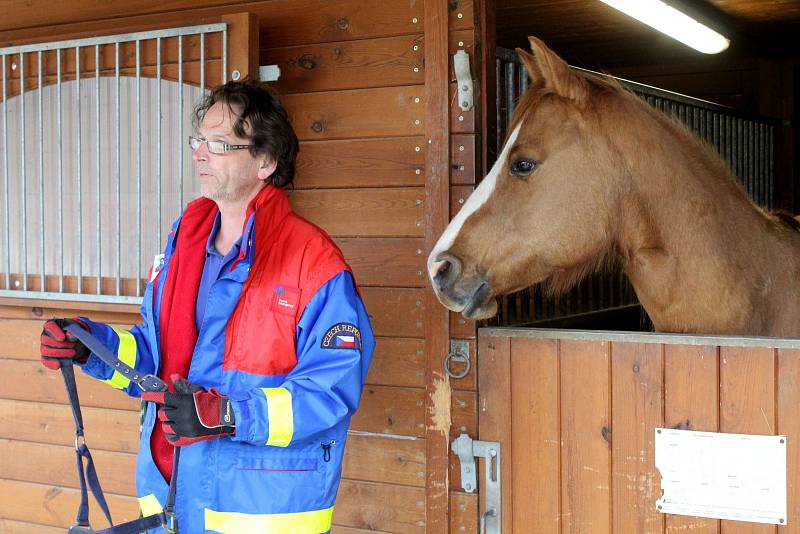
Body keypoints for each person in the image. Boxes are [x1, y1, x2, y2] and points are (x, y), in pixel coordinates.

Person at [39, 79, 374, 534]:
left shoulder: (313, 262)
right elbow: (153, 360)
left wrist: (231, 414)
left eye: (220, 143)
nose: (201, 153)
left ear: (266, 161)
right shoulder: (185, 244)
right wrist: (89, 346)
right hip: (169, 500)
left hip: (257, 510)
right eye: (200, 140)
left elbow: (330, 390)